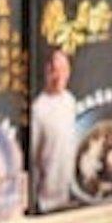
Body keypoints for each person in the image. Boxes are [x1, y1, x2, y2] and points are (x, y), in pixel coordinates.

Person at [30, 50, 77, 212]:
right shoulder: (38, 108)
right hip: (46, 198)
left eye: (63, 70)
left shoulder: (70, 101)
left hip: (70, 194)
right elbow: (33, 157)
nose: (59, 76)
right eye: (54, 70)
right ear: (47, 72)